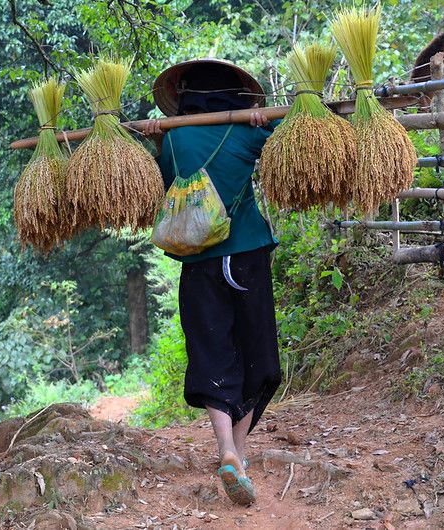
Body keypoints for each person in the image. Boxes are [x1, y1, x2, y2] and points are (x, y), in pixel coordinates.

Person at [144, 59, 281, 506]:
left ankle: (228, 451)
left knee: (211, 352)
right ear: (235, 95)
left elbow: (166, 183)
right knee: (257, 355)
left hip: (198, 262)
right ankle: (238, 452)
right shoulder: (249, 131)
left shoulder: (174, 139)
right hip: (246, 254)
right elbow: (291, 141)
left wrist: (161, 138)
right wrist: (259, 122)